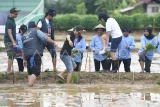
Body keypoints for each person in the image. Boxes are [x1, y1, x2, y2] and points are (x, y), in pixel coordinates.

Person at [20, 22, 57, 86]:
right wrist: (54, 42)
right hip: (35, 54)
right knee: (36, 71)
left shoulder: (24, 35)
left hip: (27, 55)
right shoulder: (36, 31)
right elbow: (44, 38)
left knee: (30, 72)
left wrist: (24, 59)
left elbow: (23, 49)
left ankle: (31, 87)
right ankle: (29, 86)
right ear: (35, 27)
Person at [4, 8, 21, 73]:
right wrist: (13, 42)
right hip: (9, 41)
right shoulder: (9, 22)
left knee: (13, 54)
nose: (17, 15)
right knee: (10, 55)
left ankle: (10, 69)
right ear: (11, 13)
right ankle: (8, 70)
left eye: (17, 13)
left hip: (12, 40)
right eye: (15, 13)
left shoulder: (12, 20)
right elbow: (9, 33)